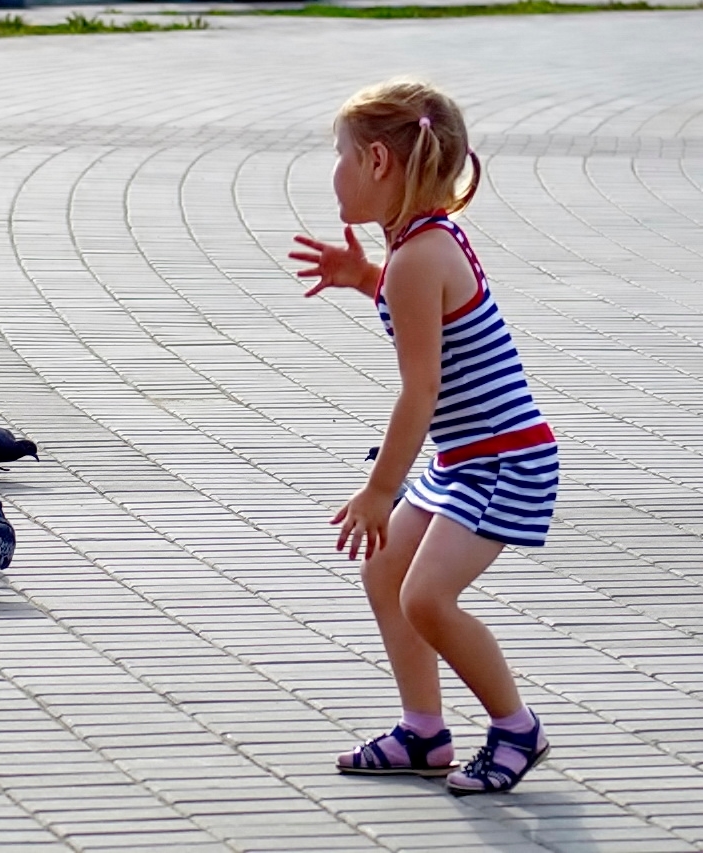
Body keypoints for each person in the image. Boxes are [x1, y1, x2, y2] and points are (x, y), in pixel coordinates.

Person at [289, 79, 558, 795]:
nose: (334, 172)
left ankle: (515, 727)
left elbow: (421, 388)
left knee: (425, 598)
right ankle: (423, 732)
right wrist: (362, 276)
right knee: (384, 573)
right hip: (465, 456)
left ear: (377, 161)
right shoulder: (420, 243)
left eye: (340, 156)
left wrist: (381, 489)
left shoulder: (416, 258)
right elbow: (427, 308)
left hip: (501, 460)